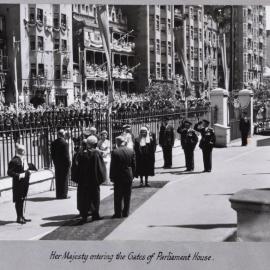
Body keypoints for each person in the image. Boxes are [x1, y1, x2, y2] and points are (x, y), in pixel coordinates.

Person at [75, 136, 106, 224]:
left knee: (84, 198)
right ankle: (95, 214)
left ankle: (84, 216)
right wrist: (101, 179)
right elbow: (100, 167)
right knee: (95, 198)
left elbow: (77, 167)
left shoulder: (81, 153)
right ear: (95, 144)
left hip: (84, 180)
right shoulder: (96, 153)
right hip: (94, 180)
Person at [7, 144, 37, 224]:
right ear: (20, 151)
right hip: (18, 183)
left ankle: (22, 216)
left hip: (25, 182)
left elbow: (26, 168)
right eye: (24, 151)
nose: (25, 152)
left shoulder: (23, 159)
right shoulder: (14, 161)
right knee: (18, 200)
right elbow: (9, 172)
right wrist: (19, 175)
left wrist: (29, 170)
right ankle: (19, 217)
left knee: (22, 198)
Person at [110, 135, 136, 218]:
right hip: (128, 175)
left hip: (118, 176)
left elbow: (113, 166)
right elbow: (134, 164)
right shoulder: (131, 151)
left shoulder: (115, 152)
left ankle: (118, 213)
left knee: (118, 196)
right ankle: (126, 212)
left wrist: (111, 176)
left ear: (117, 142)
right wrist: (133, 174)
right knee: (127, 195)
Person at [50, 129, 71, 199]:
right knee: (64, 179)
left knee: (58, 178)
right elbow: (66, 155)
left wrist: (55, 162)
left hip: (57, 163)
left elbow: (52, 154)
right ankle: (64, 194)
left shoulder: (53, 143)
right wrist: (69, 163)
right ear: (63, 135)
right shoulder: (65, 143)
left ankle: (58, 194)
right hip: (64, 164)